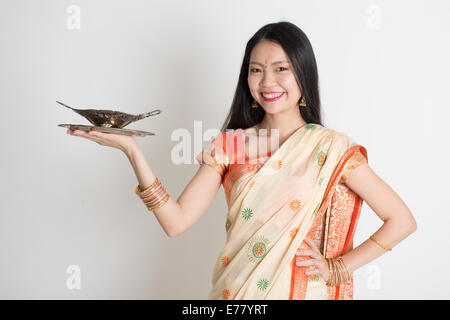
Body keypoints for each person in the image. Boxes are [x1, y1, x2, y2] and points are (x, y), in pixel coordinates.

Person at [66, 21, 417, 300]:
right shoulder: (229, 145)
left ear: (303, 74)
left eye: (281, 68)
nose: (267, 82)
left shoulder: (331, 148)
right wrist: (132, 150)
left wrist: (338, 269)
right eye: (255, 70)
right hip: (234, 294)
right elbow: (175, 222)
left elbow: (401, 220)